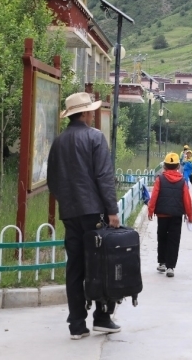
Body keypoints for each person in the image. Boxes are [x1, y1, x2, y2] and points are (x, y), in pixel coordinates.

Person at [47, 93, 121, 340]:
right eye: (91, 111)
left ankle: (77, 325)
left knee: (75, 267)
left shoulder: (59, 142)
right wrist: (112, 210)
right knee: (100, 264)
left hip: (70, 213)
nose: (92, 114)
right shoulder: (95, 137)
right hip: (94, 213)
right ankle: (102, 317)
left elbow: (53, 180)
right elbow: (103, 177)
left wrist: (67, 203)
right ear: (86, 114)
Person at [148, 153, 192, 278]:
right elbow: (187, 200)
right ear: (178, 166)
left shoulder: (160, 179)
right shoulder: (182, 182)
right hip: (176, 216)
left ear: (164, 166)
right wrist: (190, 216)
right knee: (174, 240)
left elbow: (154, 196)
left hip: (162, 215)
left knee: (162, 238)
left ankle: (162, 263)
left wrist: (150, 211)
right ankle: (170, 267)